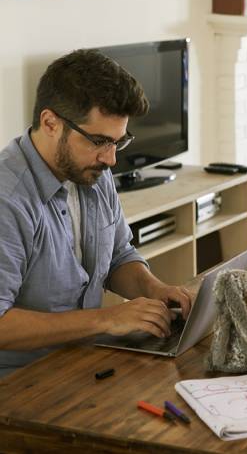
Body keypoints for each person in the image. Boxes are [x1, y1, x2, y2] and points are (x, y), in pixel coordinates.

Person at [0, 49, 193, 378]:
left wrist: (154, 290)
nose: (111, 159)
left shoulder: (92, 172)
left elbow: (118, 255)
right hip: (22, 384)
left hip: (84, 360)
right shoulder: (8, 200)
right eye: (100, 141)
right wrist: (107, 319)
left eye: (118, 141)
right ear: (50, 123)